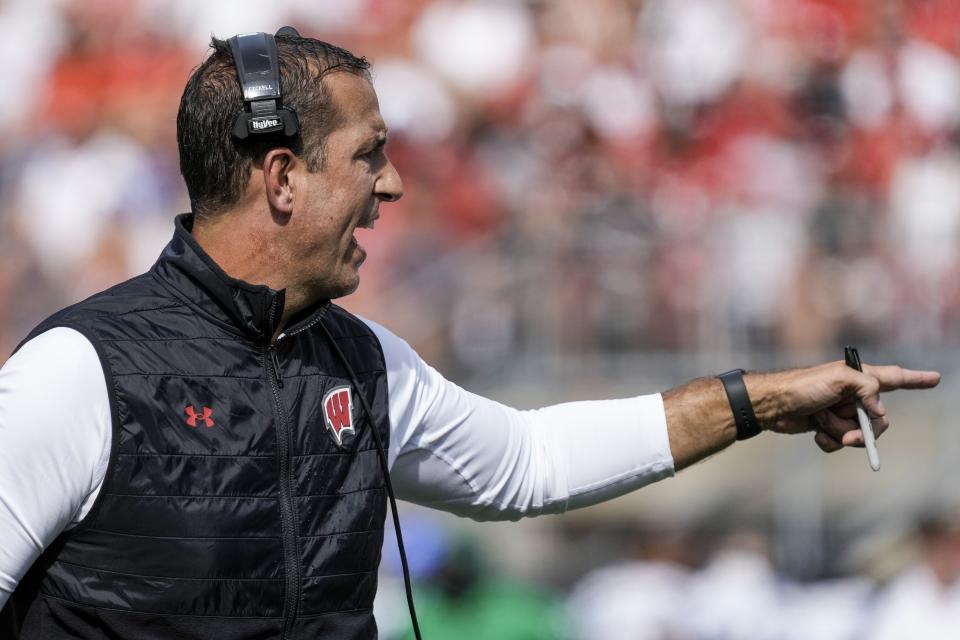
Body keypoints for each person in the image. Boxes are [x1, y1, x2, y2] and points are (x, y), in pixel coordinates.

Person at [0, 31, 940, 640]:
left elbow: (525, 461)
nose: (396, 185)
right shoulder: (79, 373)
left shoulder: (361, 362)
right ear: (280, 178)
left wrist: (760, 400)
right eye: (370, 155)